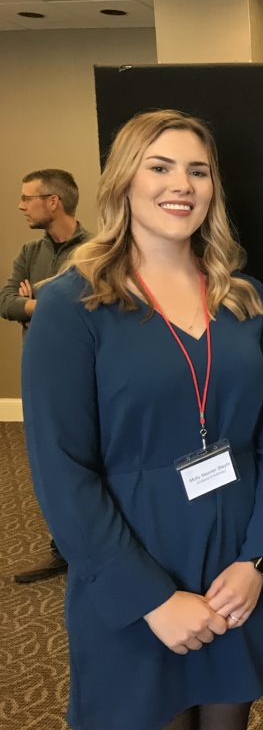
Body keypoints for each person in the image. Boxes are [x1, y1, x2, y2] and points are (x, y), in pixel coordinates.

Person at [21, 110, 263, 730]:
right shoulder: (73, 306)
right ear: (124, 179)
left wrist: (258, 559)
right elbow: (62, 472)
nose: (182, 184)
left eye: (197, 171)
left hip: (235, 564)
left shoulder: (244, 298)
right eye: (161, 166)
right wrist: (151, 599)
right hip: (132, 565)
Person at [3, 168, 91, 583]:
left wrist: (38, 298)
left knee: (89, 459)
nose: (21, 206)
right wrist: (48, 302)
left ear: (52, 201)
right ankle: (62, 548)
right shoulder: (27, 251)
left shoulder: (95, 251)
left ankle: (92, 545)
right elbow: (5, 302)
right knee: (50, 462)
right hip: (39, 374)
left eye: (27, 198)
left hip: (86, 373)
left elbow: (99, 306)